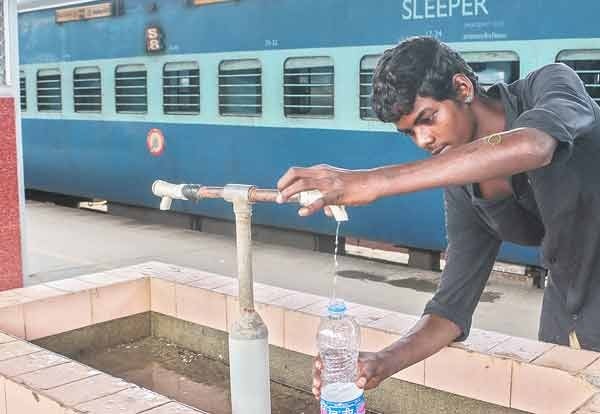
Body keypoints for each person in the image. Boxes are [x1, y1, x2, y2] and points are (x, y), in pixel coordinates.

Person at [276, 36, 600, 398]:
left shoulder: (550, 85)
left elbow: (535, 146)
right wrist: (380, 363)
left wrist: (374, 181)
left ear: (462, 87)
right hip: (567, 314)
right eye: (409, 132)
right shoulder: (464, 188)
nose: (423, 140)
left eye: (427, 119)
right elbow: (451, 309)